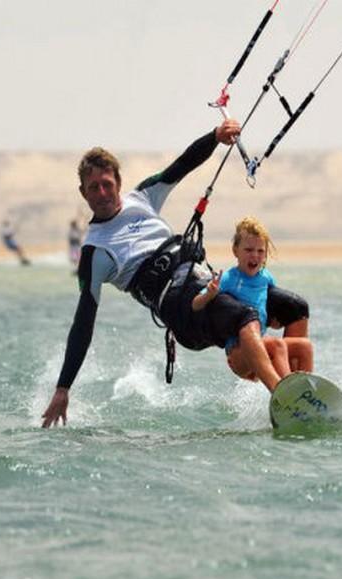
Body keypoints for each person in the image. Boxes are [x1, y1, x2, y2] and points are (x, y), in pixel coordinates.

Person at [41, 119, 310, 428]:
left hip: (203, 281)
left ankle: (300, 389)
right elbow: (83, 323)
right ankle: (284, 398)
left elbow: (181, 165)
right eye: (93, 187)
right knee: (245, 317)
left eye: (107, 184)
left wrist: (214, 137)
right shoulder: (94, 252)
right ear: (83, 193)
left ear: (118, 181)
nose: (102, 193)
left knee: (295, 309)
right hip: (179, 307)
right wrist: (63, 388)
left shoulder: (142, 197)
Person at [192, 216, 313, 390]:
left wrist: (274, 322)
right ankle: (288, 392)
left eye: (260, 251)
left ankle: (306, 392)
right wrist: (209, 294)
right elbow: (195, 304)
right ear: (235, 251)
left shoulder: (266, 277)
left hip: (261, 345)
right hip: (238, 352)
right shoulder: (228, 278)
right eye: (248, 250)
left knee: (305, 347)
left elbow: (268, 303)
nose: (255, 255)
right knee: (277, 344)